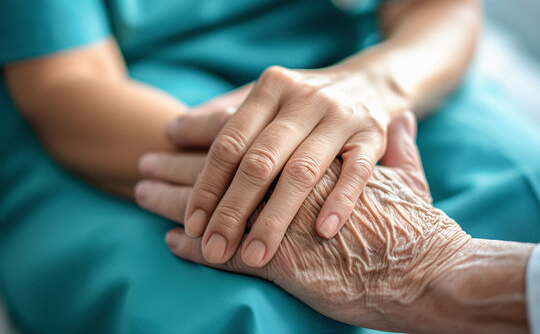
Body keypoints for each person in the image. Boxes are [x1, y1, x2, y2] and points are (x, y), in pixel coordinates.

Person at [0, 0, 538, 333]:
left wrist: (369, 88)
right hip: (131, 110)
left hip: (374, 71)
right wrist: (273, 175)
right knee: (233, 309)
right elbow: (66, 85)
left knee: (518, 191)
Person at [143, 111, 539, 333]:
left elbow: (438, 1)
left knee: (523, 179)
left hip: (389, 78)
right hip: (164, 97)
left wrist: (359, 84)